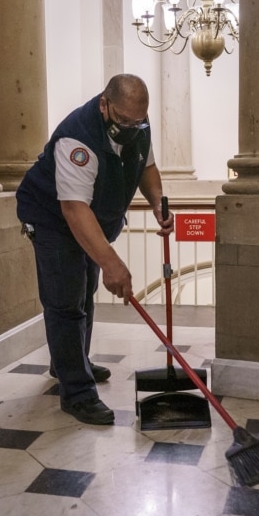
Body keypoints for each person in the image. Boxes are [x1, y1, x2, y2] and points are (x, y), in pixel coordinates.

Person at [16, 74, 174, 425]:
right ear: (105, 104)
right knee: (65, 302)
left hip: (91, 220)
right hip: (52, 220)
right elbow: (74, 209)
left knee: (83, 292)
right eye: (124, 120)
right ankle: (78, 393)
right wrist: (113, 264)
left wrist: (158, 204)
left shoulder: (138, 127)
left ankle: (70, 362)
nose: (133, 127)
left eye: (139, 120)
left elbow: (146, 167)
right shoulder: (78, 139)